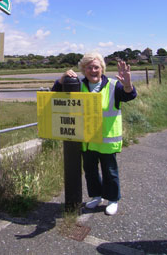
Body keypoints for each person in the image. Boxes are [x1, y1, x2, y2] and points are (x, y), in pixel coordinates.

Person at [52, 52, 137, 215]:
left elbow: (129, 95)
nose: (93, 70)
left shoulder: (113, 85)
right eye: (89, 67)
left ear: (102, 69)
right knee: (90, 171)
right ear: (83, 70)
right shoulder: (78, 85)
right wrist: (63, 79)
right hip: (87, 139)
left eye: (96, 67)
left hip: (107, 139)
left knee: (110, 171)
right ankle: (96, 196)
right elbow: (56, 93)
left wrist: (128, 84)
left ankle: (112, 200)